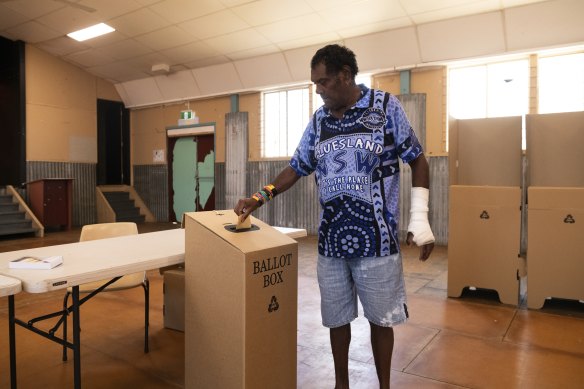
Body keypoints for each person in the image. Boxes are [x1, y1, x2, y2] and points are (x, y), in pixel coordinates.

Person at [234, 44, 435, 389]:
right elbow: (296, 167)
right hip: (330, 242)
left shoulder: (385, 107)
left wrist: (421, 217)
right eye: (315, 83)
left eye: (324, 82)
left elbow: (417, 158)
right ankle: (341, 383)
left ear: (345, 75)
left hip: (377, 241)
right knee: (336, 320)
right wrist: (259, 196)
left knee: (379, 321)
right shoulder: (319, 121)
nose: (319, 90)